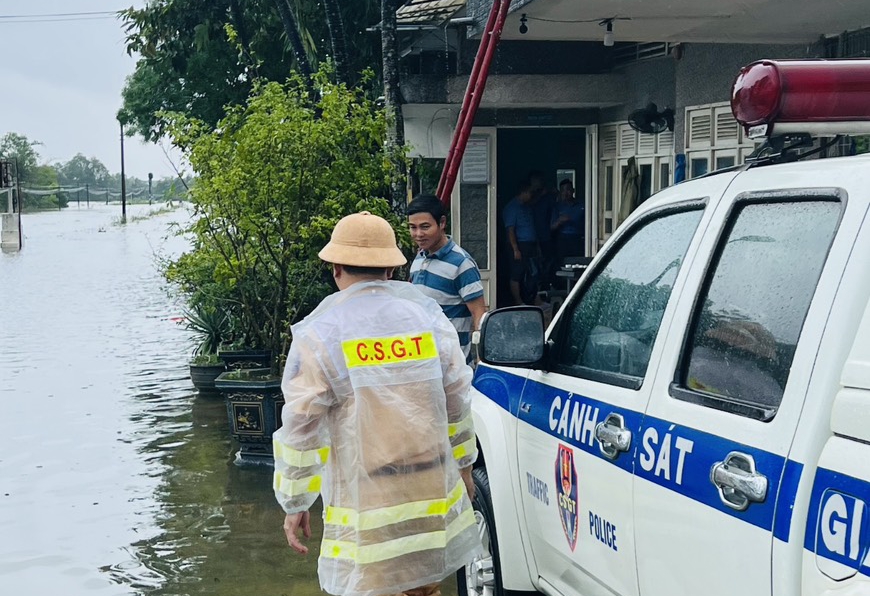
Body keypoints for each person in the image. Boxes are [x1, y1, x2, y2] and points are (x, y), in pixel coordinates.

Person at [273, 211, 482, 596]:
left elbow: (301, 427)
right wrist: (465, 468)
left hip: (367, 496)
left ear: (336, 268)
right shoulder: (428, 321)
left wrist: (296, 501)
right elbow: (457, 401)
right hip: (430, 485)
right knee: (425, 589)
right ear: (390, 270)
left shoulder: (322, 334)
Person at [407, 194, 487, 364]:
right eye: (413, 227)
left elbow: (479, 314)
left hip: (453, 366)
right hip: (423, 363)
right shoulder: (420, 257)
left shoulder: (462, 263)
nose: (418, 234)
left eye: (425, 227)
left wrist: (482, 362)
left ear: (442, 223)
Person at [503, 181, 538, 305]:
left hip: (530, 245)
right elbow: (510, 230)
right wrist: (515, 249)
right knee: (517, 273)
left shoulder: (526, 206)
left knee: (533, 272)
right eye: (530, 193)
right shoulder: (512, 208)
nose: (531, 195)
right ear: (523, 192)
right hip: (519, 245)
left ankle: (535, 299)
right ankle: (518, 301)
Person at [550, 178, 585, 262]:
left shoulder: (582, 205)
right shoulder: (557, 207)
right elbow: (551, 227)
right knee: (562, 263)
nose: (566, 193)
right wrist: (560, 221)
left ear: (573, 190)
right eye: (563, 190)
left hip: (578, 238)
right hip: (563, 239)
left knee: (578, 262)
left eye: (568, 190)